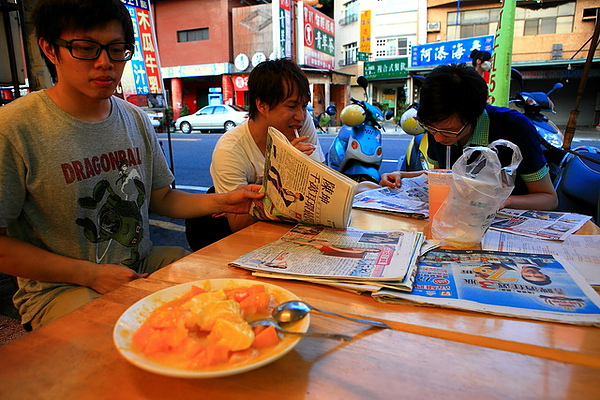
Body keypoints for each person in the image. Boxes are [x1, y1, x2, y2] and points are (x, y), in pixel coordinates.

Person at [0, 0, 263, 331]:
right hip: (61, 289)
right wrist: (91, 274)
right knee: (129, 339)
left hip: (142, 264)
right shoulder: (14, 128)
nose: (105, 63)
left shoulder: (135, 119)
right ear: (50, 50)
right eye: (85, 48)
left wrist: (225, 201)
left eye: (116, 49)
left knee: (230, 298)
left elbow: (162, 198)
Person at [381, 64, 558, 211]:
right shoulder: (438, 126)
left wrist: (503, 201)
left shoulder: (515, 128)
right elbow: (442, 176)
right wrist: (401, 175)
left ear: (476, 115)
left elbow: (548, 199)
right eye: (431, 129)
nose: (439, 139)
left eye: (449, 131)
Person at [210, 58, 325, 232]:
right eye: (292, 106)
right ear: (262, 105)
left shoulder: (301, 123)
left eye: (304, 106)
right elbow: (238, 224)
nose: (301, 116)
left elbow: (323, 182)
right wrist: (285, 170)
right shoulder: (230, 150)